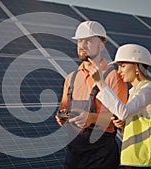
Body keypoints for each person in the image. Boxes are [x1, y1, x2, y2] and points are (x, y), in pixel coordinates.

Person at [87, 44, 151, 169]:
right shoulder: (134, 91)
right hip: (138, 158)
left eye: (123, 66)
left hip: (147, 159)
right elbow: (136, 120)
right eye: (118, 66)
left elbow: (123, 112)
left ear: (136, 67)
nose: (119, 71)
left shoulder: (148, 89)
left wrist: (100, 82)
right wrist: (124, 125)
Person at [55, 20, 128, 169]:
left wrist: (91, 118)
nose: (82, 45)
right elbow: (64, 109)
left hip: (101, 157)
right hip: (74, 155)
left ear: (102, 45)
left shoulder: (113, 77)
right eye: (80, 41)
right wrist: (61, 116)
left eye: (88, 41)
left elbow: (120, 119)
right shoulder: (71, 78)